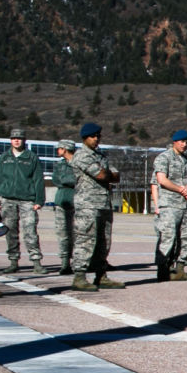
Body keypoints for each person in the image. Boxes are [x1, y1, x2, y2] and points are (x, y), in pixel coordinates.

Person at [69, 122, 123, 291]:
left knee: (104, 242)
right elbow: (101, 174)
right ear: (85, 138)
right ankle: (79, 277)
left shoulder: (101, 156)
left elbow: (116, 176)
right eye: (93, 136)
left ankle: (101, 275)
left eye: (98, 136)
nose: (96, 139)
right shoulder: (81, 156)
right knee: (85, 240)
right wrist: (107, 174)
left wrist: (107, 174)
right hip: (87, 205)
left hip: (103, 204)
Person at [0, 128, 45, 271]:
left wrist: (39, 200)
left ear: (24, 140)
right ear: (10, 140)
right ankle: (13, 261)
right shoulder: (5, 157)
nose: (16, 140)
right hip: (7, 199)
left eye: (19, 138)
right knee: (10, 231)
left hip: (27, 200)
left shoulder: (32, 158)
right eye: (13, 138)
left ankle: (36, 262)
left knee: (30, 231)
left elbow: (38, 180)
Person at [153, 129, 187, 281]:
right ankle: (163, 269)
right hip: (169, 204)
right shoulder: (164, 158)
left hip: (185, 205)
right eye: (182, 142)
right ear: (175, 142)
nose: (185, 145)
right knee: (168, 237)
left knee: (186, 236)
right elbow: (162, 180)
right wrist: (180, 189)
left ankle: (180, 268)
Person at [51, 137, 77, 275]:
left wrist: (67, 180)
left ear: (65, 149)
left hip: (77, 202)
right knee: (62, 233)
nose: (57, 151)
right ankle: (65, 263)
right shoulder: (59, 165)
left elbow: (77, 179)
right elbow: (56, 179)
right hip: (61, 201)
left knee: (77, 234)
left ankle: (78, 263)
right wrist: (68, 181)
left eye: (60, 148)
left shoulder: (78, 163)